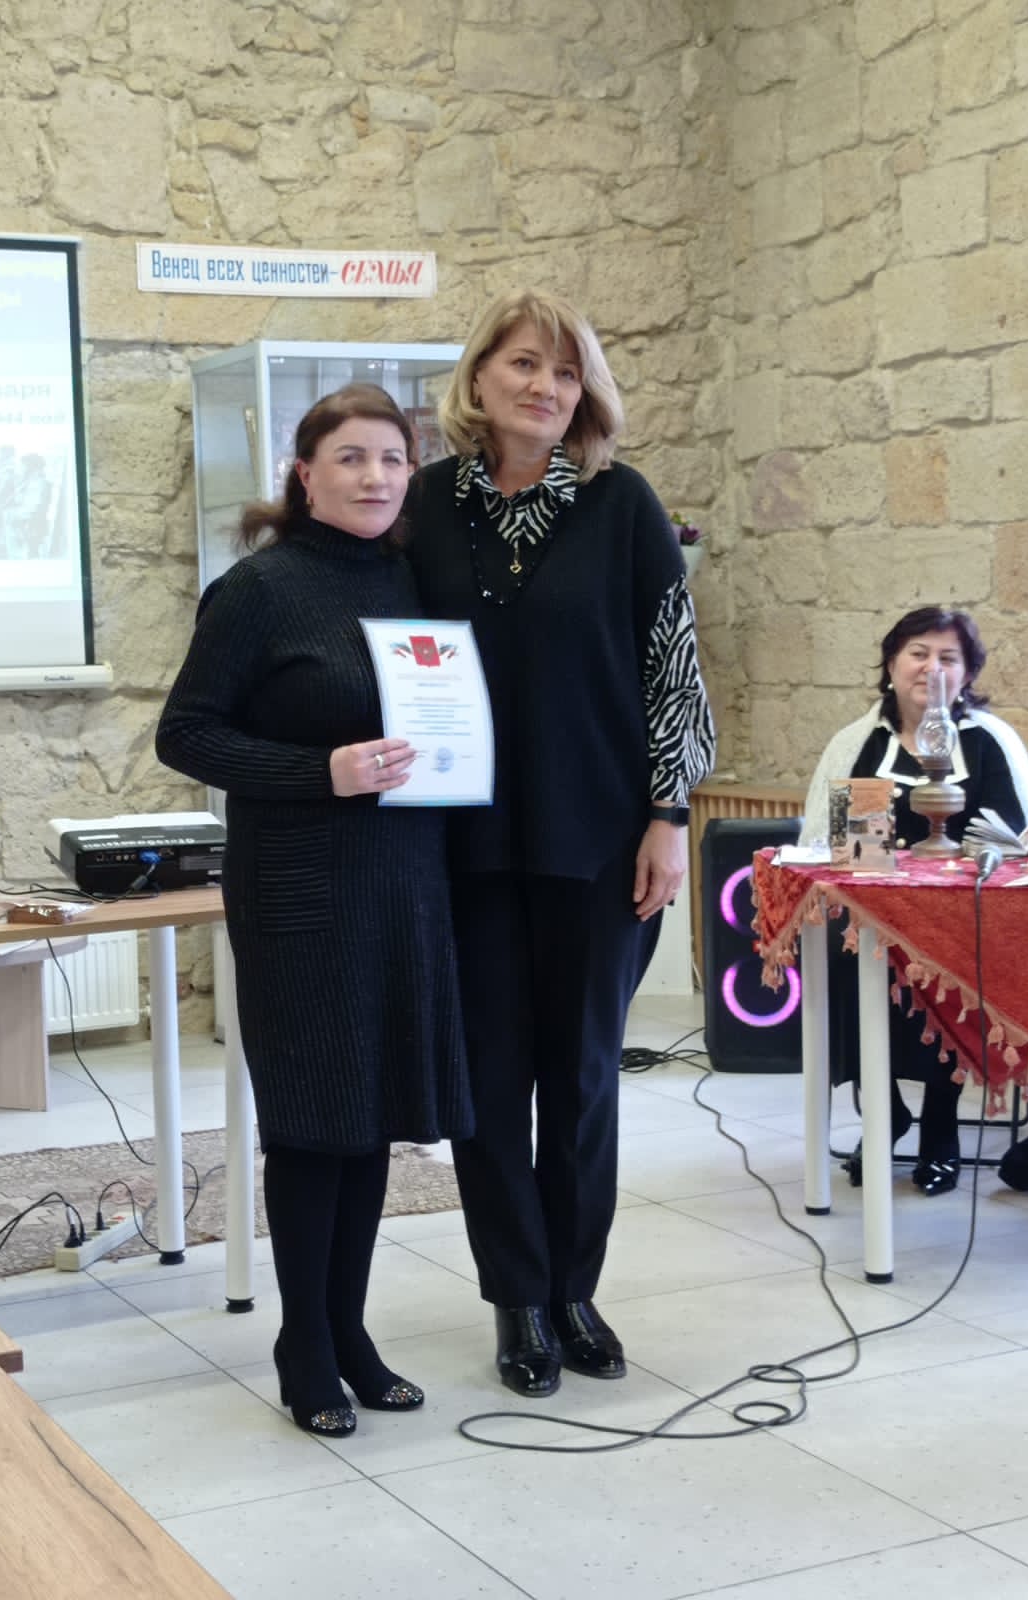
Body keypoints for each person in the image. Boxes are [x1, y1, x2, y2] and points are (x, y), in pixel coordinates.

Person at [405, 290, 715, 1398]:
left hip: (601, 842)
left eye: (567, 371)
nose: (545, 387)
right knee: (490, 1087)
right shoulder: (426, 504)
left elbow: (672, 668)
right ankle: (518, 1300)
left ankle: (575, 1287)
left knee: (582, 1079)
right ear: (480, 376)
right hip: (465, 847)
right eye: (524, 364)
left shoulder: (621, 503)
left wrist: (669, 817)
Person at [156, 384, 472, 1438]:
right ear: (305, 474)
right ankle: (304, 1345)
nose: (374, 477)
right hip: (300, 891)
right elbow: (187, 734)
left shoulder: (414, 583)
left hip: (405, 888)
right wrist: (318, 771)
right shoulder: (258, 589)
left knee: (369, 1118)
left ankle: (349, 1332)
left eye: (392, 458)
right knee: (312, 1121)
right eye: (350, 457)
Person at [801, 606, 1028, 1195]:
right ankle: (883, 1112)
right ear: (891, 663)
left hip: (968, 923)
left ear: (967, 673)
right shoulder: (861, 743)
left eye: (948, 658)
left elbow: (1020, 841)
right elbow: (833, 851)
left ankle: (940, 1126)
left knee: (948, 971)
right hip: (872, 921)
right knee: (846, 958)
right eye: (918, 653)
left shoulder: (988, 742)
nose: (932, 668)